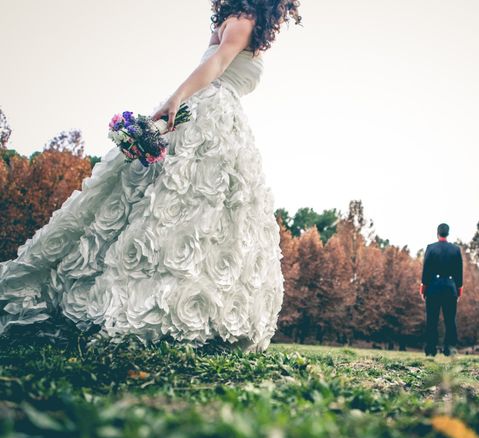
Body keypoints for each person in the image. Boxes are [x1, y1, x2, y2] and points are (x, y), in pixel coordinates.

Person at [0, 1, 302, 352]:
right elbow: (216, 64)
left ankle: (197, 311)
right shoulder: (242, 21)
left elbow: (214, 63)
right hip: (211, 115)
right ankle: (149, 302)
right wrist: (174, 101)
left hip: (222, 119)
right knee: (177, 208)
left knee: (203, 215)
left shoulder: (242, 23)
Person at [420, 223, 463, 356]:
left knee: (432, 320)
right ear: (448, 233)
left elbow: (426, 269)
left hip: (433, 287)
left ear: (437, 233)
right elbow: (459, 272)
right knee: (450, 320)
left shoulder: (431, 248)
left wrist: (423, 288)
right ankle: (449, 349)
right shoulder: (455, 250)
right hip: (450, 288)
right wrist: (458, 289)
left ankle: (431, 350)